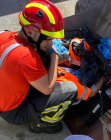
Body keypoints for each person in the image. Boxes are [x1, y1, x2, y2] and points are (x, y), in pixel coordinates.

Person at [0, 0, 104, 134]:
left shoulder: (4, 35)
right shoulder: (26, 57)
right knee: (69, 89)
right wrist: (54, 56)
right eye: (48, 39)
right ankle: (43, 125)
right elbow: (48, 90)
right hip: (15, 112)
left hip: (5, 97)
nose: (51, 43)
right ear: (30, 32)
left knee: (42, 53)